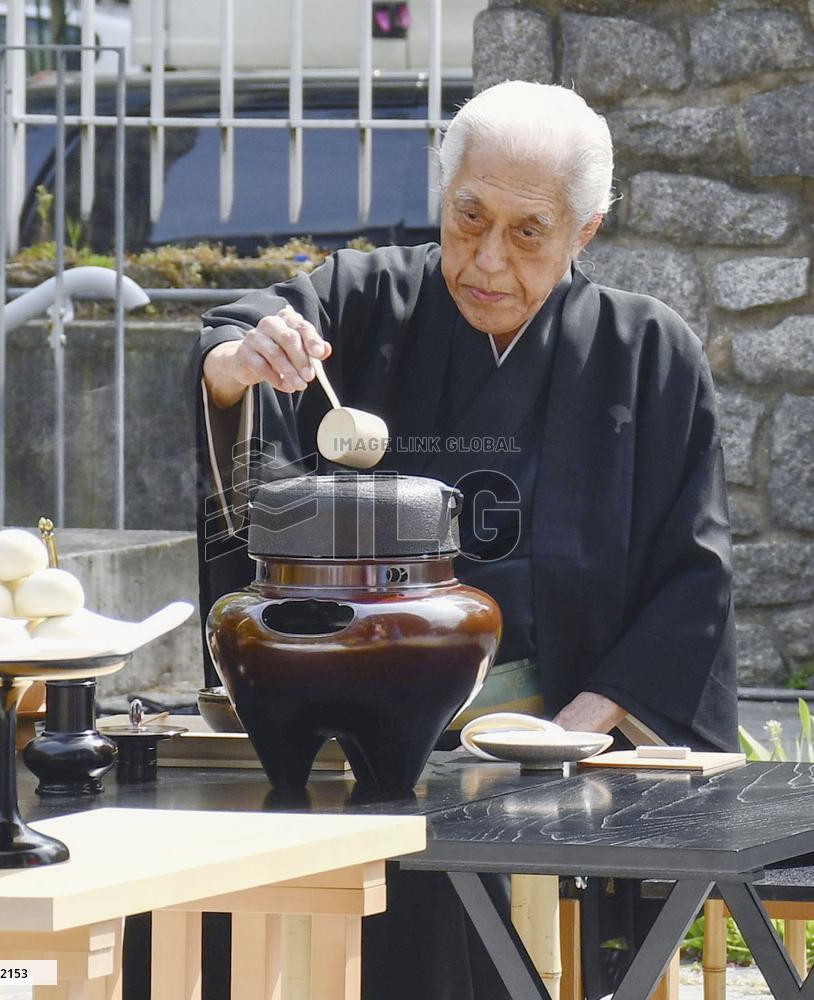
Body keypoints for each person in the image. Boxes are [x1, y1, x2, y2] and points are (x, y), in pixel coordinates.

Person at [187, 80, 737, 999]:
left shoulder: (650, 355)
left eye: (528, 233)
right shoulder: (366, 300)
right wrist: (238, 368)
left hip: (555, 744)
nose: (486, 259)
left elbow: (695, 580)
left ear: (586, 232)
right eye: (467, 216)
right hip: (350, 741)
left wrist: (568, 736)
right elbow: (235, 334)